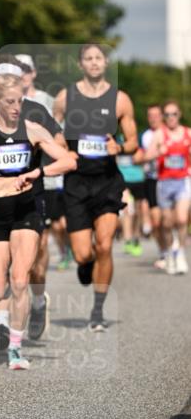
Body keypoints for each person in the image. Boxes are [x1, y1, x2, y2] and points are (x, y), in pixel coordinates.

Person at [0, 74, 75, 370]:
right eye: (10, 101)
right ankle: (4, 323)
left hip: (26, 211)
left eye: (20, 100)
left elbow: (69, 161)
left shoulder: (32, 130)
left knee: (20, 279)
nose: (16, 107)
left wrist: (38, 174)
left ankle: (16, 349)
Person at [0, 56, 67, 344]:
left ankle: (39, 299)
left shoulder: (36, 110)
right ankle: (3, 324)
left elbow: (62, 146)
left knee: (33, 265)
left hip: (33, 193)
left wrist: (39, 166)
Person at [54, 43, 138, 332]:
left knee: (104, 244)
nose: (93, 63)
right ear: (81, 65)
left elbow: (133, 141)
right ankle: (84, 264)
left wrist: (120, 146)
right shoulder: (66, 97)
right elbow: (53, 134)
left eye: (98, 58)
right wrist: (63, 150)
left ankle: (98, 311)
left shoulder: (120, 100)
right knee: (83, 254)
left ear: (105, 63)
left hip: (107, 182)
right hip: (76, 182)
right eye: (88, 58)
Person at [140, 100, 190, 275]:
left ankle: (181, 254)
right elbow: (146, 156)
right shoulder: (160, 135)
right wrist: (157, 152)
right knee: (167, 223)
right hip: (164, 183)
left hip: (182, 181)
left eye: (174, 114)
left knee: (182, 219)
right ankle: (169, 253)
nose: (171, 118)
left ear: (179, 115)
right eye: (167, 114)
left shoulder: (187, 133)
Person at [138, 103, 166, 269]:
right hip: (152, 179)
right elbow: (138, 158)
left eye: (156, 115)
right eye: (150, 116)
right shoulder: (145, 136)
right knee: (156, 221)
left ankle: (173, 246)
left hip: (171, 179)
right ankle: (163, 251)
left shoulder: (170, 132)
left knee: (171, 218)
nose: (153, 118)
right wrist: (152, 155)